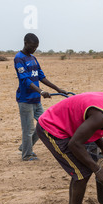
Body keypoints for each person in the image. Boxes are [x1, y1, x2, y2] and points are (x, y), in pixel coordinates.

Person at [14, 33, 67, 161]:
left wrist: (57, 89)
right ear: (26, 43)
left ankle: (25, 146)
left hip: (36, 100)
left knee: (44, 125)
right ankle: (26, 155)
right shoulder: (19, 58)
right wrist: (41, 91)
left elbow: (41, 76)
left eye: (36, 47)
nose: (34, 49)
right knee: (28, 129)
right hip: (25, 100)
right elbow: (25, 79)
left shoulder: (33, 58)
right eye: (32, 46)